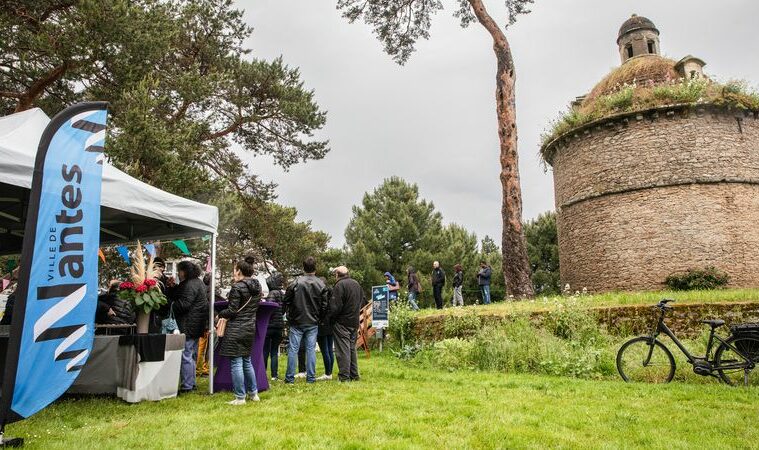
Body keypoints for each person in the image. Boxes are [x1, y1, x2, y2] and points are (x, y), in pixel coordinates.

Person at [218, 256, 261, 405]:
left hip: (236, 328)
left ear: (239, 271)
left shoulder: (237, 287)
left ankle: (240, 397)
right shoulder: (257, 287)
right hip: (249, 328)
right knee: (247, 361)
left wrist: (220, 314)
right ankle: (253, 393)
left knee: (236, 362)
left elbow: (232, 310)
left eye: (235, 270)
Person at [283, 256, 328, 384]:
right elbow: (325, 305)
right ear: (315, 268)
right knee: (310, 349)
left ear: (303, 268)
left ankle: (290, 378)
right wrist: (320, 319)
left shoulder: (296, 282)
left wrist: (289, 315)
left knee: (293, 349)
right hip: (312, 321)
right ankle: (311, 378)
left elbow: (286, 300)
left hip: (297, 321)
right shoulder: (321, 284)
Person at [170, 260, 208, 393]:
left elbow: (185, 304)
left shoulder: (190, 284)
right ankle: (191, 383)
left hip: (188, 324)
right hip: (197, 324)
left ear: (185, 271)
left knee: (186, 355)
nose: (178, 273)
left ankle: (187, 385)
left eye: (179, 270)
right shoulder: (199, 282)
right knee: (191, 355)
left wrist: (170, 306)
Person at [328, 266, 364, 382]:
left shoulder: (339, 285)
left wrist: (330, 319)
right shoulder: (356, 284)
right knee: (351, 349)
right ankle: (354, 375)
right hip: (354, 321)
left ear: (337, 274)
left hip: (342, 322)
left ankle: (344, 377)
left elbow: (335, 307)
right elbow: (361, 301)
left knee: (343, 350)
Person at [263, 272, 285, 380]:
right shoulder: (281, 293)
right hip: (279, 326)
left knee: (265, 351)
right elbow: (284, 309)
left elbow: (269, 309)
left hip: (269, 326)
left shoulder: (272, 293)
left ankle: (262, 374)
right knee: (274, 352)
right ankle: (274, 375)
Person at [316, 277, 334, 381]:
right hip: (330, 323)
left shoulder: (322, 294)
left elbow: (322, 309)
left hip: (322, 324)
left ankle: (328, 373)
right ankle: (329, 372)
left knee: (325, 350)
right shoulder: (331, 293)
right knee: (330, 350)